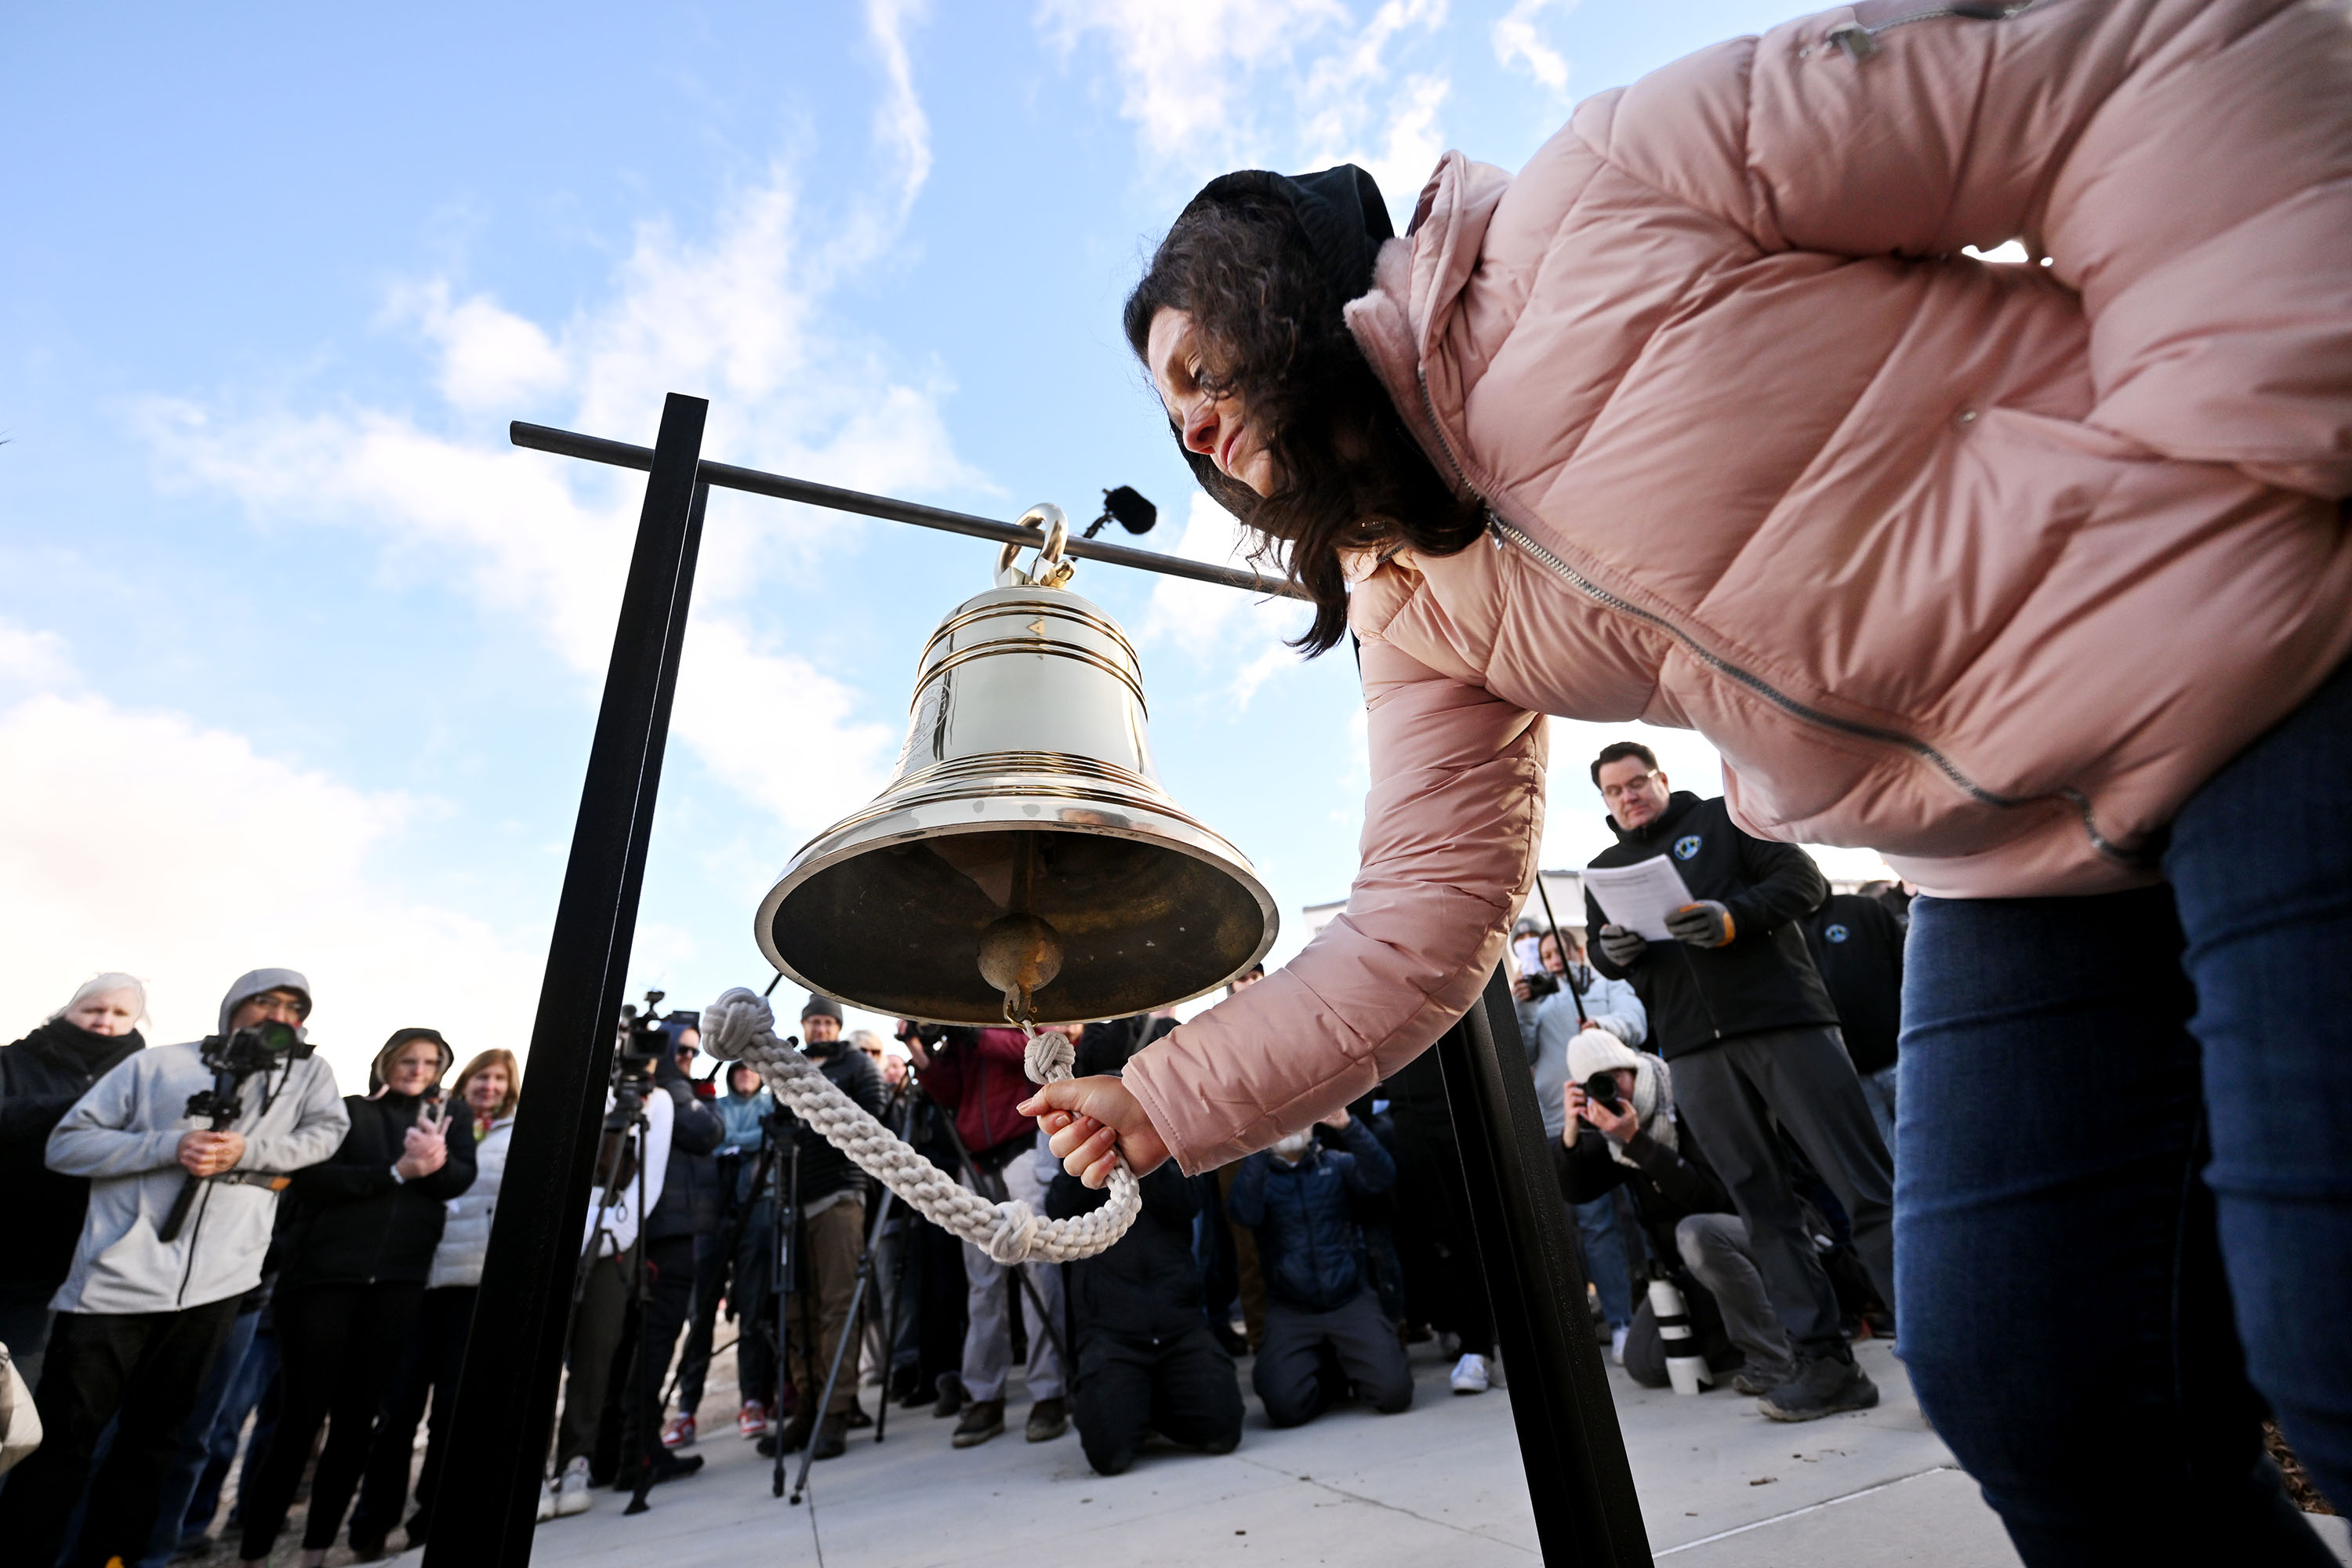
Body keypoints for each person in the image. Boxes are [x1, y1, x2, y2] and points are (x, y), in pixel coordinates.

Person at [1026, 6, 2352, 1552]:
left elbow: (2114, 60)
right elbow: (1420, 919)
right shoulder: (1414, 598)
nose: (1183, 419)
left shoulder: (1613, 181)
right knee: (2033, 1383)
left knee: (2335, 1332)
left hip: (2273, 667)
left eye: (1189, 360)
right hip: (2012, 866)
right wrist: (1162, 1093)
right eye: (1163, 411)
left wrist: (2248, 455)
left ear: (1275, 265)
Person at [1578, 745, 1893, 1418]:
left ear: (1663, 780)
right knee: (1762, 1208)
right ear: (1606, 802)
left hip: (1785, 1024)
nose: (1630, 796)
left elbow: (1804, 883)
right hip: (1694, 1049)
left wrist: (1732, 918)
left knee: (1863, 1185)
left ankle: (1943, 1348)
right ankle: (1827, 1367)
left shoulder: (1730, 820)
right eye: (1615, 791)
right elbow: (1605, 953)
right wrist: (1613, 952)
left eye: (1639, 783)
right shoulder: (1605, 871)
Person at [0, 971, 346, 1568]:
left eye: (294, 1006)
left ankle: (110, 1562)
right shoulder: (157, 1065)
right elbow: (67, 1145)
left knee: (155, 1443)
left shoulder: (311, 1075)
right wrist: (167, 1146)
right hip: (111, 1285)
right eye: (266, 1001)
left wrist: (248, 1151)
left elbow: (327, 1134)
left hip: (217, 1288)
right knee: (65, 1444)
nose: (279, 1015)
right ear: (234, 1007)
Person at [235, 1028, 477, 1568]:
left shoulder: (448, 1120)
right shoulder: (347, 1112)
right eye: (408, 1059)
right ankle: (253, 1552)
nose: (418, 1069)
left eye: (430, 1061)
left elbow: (459, 1181)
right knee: (299, 1420)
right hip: (322, 1281)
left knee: (357, 1420)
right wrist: (397, 1172)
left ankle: (316, 1551)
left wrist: (435, 1163)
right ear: (386, 1061)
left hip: (398, 1283)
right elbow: (312, 1179)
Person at [349, 1047, 521, 1555]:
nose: (488, 1086)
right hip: (417, 1277)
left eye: (498, 1079)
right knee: (397, 1410)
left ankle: (433, 1515)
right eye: (480, 1077)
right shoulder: (430, 1120)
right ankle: (371, 1522)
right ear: (463, 1081)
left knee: (451, 1410)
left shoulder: (518, 1131)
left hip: (473, 1283)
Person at [1552, 1030, 1786, 1396]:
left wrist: (1639, 1144)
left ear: (1632, 1067)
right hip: (1690, 1272)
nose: (1613, 1092)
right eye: (1598, 1085)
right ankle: (1751, 1331)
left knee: (1696, 1232)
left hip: (1751, 1240)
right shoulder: (1617, 1129)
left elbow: (1710, 1197)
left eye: (1615, 1079)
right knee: (1644, 1363)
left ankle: (1774, 1359)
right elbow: (1576, 1191)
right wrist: (1571, 1130)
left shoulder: (1683, 1098)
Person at [910, 1019, 1071, 1449]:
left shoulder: (1018, 1002)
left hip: (1022, 1147)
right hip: (975, 1160)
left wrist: (973, 1034)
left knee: (1039, 1272)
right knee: (982, 1283)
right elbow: (953, 1094)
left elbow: (1036, 1048)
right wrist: (920, 1050)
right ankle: (985, 1394)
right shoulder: (960, 1013)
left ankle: (1049, 1390)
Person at [0, 973, 147, 1391]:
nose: (105, 1020)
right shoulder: (11, 1062)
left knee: (27, 1396)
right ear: (68, 1011)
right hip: (10, 1246)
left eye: (120, 1013)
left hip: (83, 1268)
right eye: (94, 1009)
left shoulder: (145, 1085)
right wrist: (82, 1107)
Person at [1227, 1106, 1410, 1427]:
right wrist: (1259, 1145)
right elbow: (1244, 1213)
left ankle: (1349, 1364)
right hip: (1292, 1310)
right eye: (1279, 1126)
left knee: (1394, 1394)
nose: (1288, 1130)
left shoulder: (1334, 1163)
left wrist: (1348, 1126)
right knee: (1285, 1407)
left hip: (1349, 1299)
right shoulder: (1261, 1179)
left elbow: (1383, 1176)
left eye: (1296, 1120)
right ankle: (1331, 1375)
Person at [1513, 929, 1646, 1363]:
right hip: (1565, 1124)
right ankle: (1622, 1322)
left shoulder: (1606, 983)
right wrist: (1525, 1006)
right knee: (1596, 1225)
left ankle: (1655, 1309)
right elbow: (1523, 1053)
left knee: (1643, 1215)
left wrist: (1603, 1028)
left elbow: (1636, 1021)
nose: (1551, 960)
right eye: (1545, 955)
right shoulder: (1541, 999)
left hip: (1625, 1112)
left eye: (1558, 952)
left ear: (1575, 953)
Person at [761, 996, 884, 1461]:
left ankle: (836, 1410)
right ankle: (807, 1406)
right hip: (792, 1197)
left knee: (837, 1305)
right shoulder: (788, 1068)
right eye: (812, 1021)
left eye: (826, 1021)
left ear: (837, 1026)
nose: (818, 1028)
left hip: (838, 1193)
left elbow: (873, 1122)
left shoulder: (857, 1065)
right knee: (796, 1307)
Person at [668, 1058, 779, 1447]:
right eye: (740, 1068)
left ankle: (751, 1401)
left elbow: (763, 1138)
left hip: (757, 1213)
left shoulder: (769, 1105)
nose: (747, 1073)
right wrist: (740, 1143)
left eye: (753, 1067)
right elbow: (714, 1138)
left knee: (752, 1312)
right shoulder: (716, 1106)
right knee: (700, 1317)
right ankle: (686, 1411)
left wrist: (733, 1143)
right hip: (711, 1216)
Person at [1800, 892, 1907, 1156]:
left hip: (1901, 1059)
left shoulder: (1861, 909)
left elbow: (1908, 970)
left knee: (1934, 1143)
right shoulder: (1778, 931)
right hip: (1850, 1077)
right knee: (1893, 1161)